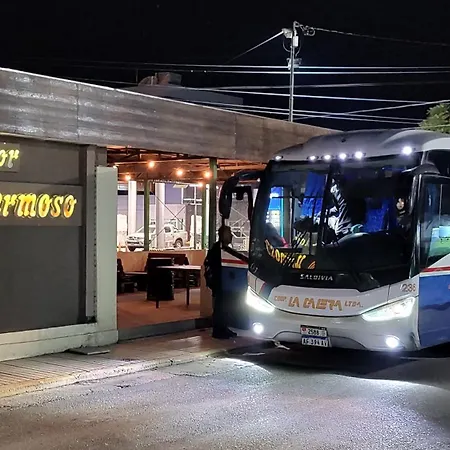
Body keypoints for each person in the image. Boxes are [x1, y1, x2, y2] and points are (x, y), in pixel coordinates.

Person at [204, 225, 237, 339]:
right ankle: (218, 330)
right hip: (219, 282)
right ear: (223, 235)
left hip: (225, 282)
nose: (231, 236)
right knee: (220, 307)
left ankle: (224, 328)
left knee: (225, 307)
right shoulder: (218, 249)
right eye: (229, 233)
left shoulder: (225, 249)